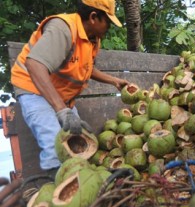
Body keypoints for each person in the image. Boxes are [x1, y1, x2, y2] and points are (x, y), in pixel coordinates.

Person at [10, 0, 129, 175]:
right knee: (55, 149)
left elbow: (86, 67)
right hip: (33, 88)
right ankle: (57, 192)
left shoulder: (92, 39)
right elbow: (35, 64)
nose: (109, 27)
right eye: (108, 21)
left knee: (79, 145)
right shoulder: (63, 28)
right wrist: (61, 110)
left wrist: (113, 81)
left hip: (59, 95)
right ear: (94, 17)